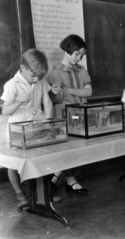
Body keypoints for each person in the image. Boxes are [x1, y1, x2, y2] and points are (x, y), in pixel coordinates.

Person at [1, 49, 53, 211]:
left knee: (38, 161)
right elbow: (4, 111)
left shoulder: (40, 81)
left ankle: (42, 196)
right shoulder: (11, 85)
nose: (36, 79)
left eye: (39, 76)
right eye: (33, 75)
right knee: (14, 164)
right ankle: (20, 195)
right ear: (22, 67)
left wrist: (49, 123)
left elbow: (48, 102)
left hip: (36, 129)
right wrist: (17, 103)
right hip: (16, 133)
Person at [46, 34, 91, 195]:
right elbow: (56, 99)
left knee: (76, 147)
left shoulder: (81, 70)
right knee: (67, 147)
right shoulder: (56, 72)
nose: (79, 58)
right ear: (68, 50)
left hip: (79, 111)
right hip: (64, 113)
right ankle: (69, 181)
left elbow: (88, 92)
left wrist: (68, 90)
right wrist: (55, 92)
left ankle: (56, 176)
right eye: (76, 54)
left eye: (82, 55)